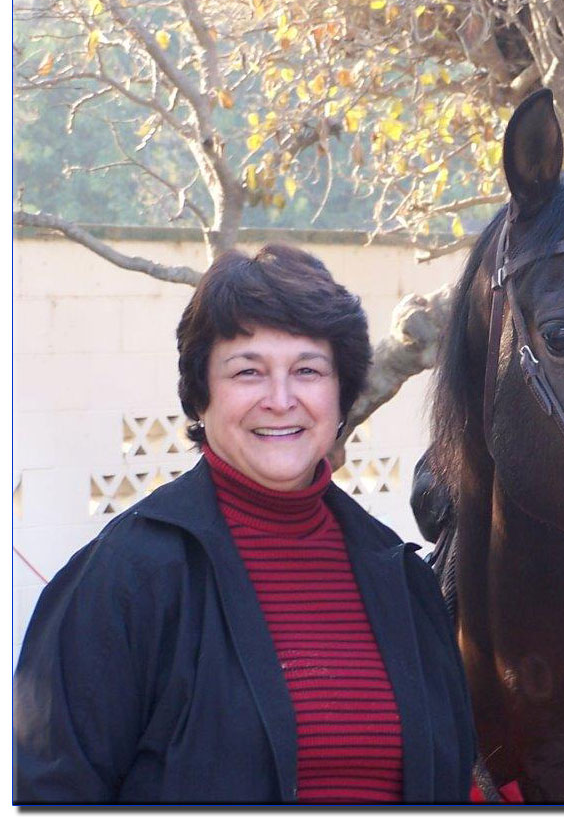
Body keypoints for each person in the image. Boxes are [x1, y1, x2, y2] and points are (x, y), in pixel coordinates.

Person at [14, 244, 476, 804]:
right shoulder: (124, 577)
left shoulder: (402, 580)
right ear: (201, 395)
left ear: (340, 393)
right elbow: (48, 793)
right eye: (247, 372)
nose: (280, 400)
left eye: (307, 370)